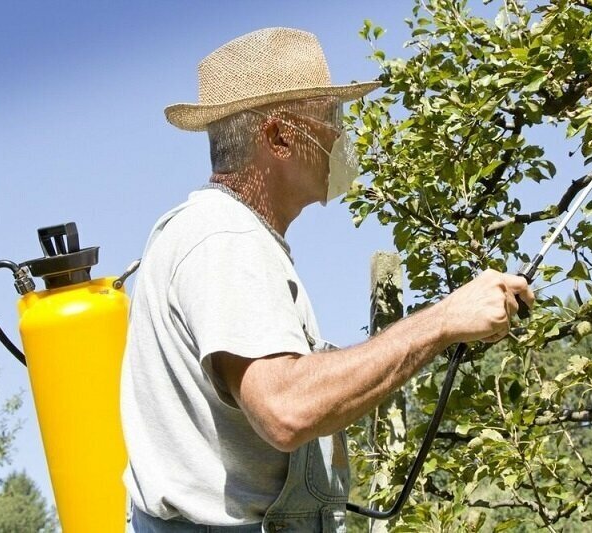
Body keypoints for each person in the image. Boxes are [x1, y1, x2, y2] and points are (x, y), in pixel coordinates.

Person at [120, 27, 534, 533]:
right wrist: (445, 320)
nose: (341, 136)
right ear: (278, 137)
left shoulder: (224, 235)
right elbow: (286, 409)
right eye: (330, 118)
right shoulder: (224, 237)